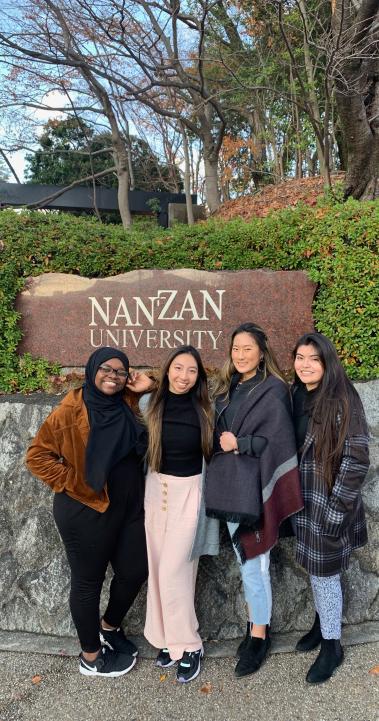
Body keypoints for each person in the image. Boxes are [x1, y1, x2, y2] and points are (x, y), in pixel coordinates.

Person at [26, 348, 150, 678]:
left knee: (136, 570)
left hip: (129, 507)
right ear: (91, 370)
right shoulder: (70, 411)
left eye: (120, 372)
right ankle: (91, 656)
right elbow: (36, 457)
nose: (113, 375)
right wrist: (74, 482)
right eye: (106, 369)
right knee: (87, 583)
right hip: (85, 509)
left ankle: (109, 626)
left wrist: (144, 386)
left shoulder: (126, 402)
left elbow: (151, 400)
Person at [205, 322, 303, 678]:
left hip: (257, 488)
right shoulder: (228, 387)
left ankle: (259, 635)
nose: (241, 355)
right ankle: (255, 625)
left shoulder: (274, 389)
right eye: (235, 348)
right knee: (245, 560)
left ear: (262, 351)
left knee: (254, 564)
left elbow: (276, 444)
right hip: (231, 486)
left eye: (248, 348)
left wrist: (239, 445)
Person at [292, 332, 370, 684]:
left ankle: (332, 645)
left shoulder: (341, 399)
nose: (305, 365)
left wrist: (336, 511)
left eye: (314, 359)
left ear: (327, 363)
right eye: (300, 358)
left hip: (328, 504)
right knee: (316, 571)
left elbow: (356, 460)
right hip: (305, 502)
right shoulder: (301, 395)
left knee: (325, 576)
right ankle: (322, 624)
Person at [139, 345, 217, 684]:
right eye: (178, 368)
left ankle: (190, 644)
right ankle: (167, 642)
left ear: (198, 376)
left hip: (192, 493)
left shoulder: (207, 409)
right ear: (167, 368)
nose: (184, 376)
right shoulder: (149, 404)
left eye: (192, 371)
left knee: (175, 571)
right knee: (157, 569)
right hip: (156, 491)